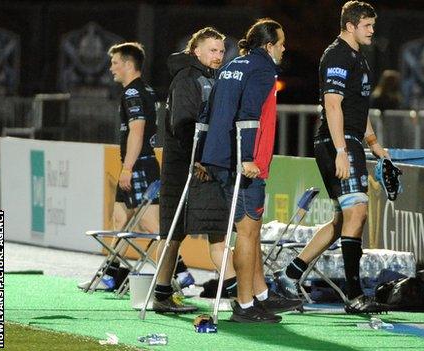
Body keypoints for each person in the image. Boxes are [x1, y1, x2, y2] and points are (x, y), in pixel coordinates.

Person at [274, 1, 389, 314]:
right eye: (367, 25)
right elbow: (333, 105)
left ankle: (289, 274)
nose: (372, 31)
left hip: (348, 141)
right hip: (336, 143)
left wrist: (374, 143)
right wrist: (341, 150)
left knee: (343, 219)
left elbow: (357, 106)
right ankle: (354, 295)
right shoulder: (337, 54)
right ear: (350, 26)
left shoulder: (357, 58)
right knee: (358, 213)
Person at [201, 18, 302, 323]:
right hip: (243, 163)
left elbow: (210, 109)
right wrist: (247, 158)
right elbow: (248, 115)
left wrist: (205, 154)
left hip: (219, 157)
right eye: (281, 43)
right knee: (247, 232)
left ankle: (260, 295)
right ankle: (244, 304)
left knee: (251, 231)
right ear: (269, 45)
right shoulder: (263, 68)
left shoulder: (234, 64)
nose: (284, 49)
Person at [77, 42, 193, 292]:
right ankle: (112, 275)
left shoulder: (132, 93)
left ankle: (181, 273)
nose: (111, 69)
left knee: (152, 227)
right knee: (119, 220)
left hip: (139, 165)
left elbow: (137, 130)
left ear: (129, 64)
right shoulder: (147, 90)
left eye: (115, 63)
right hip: (139, 163)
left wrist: (127, 167)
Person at [152, 28, 238, 313]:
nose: (218, 56)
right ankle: (243, 298)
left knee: (199, 233)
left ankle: (163, 294)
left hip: (202, 164)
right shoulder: (188, 78)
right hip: (187, 166)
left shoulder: (211, 78)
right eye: (212, 50)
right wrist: (200, 160)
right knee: (175, 233)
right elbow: (184, 125)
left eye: (221, 50)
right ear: (196, 52)